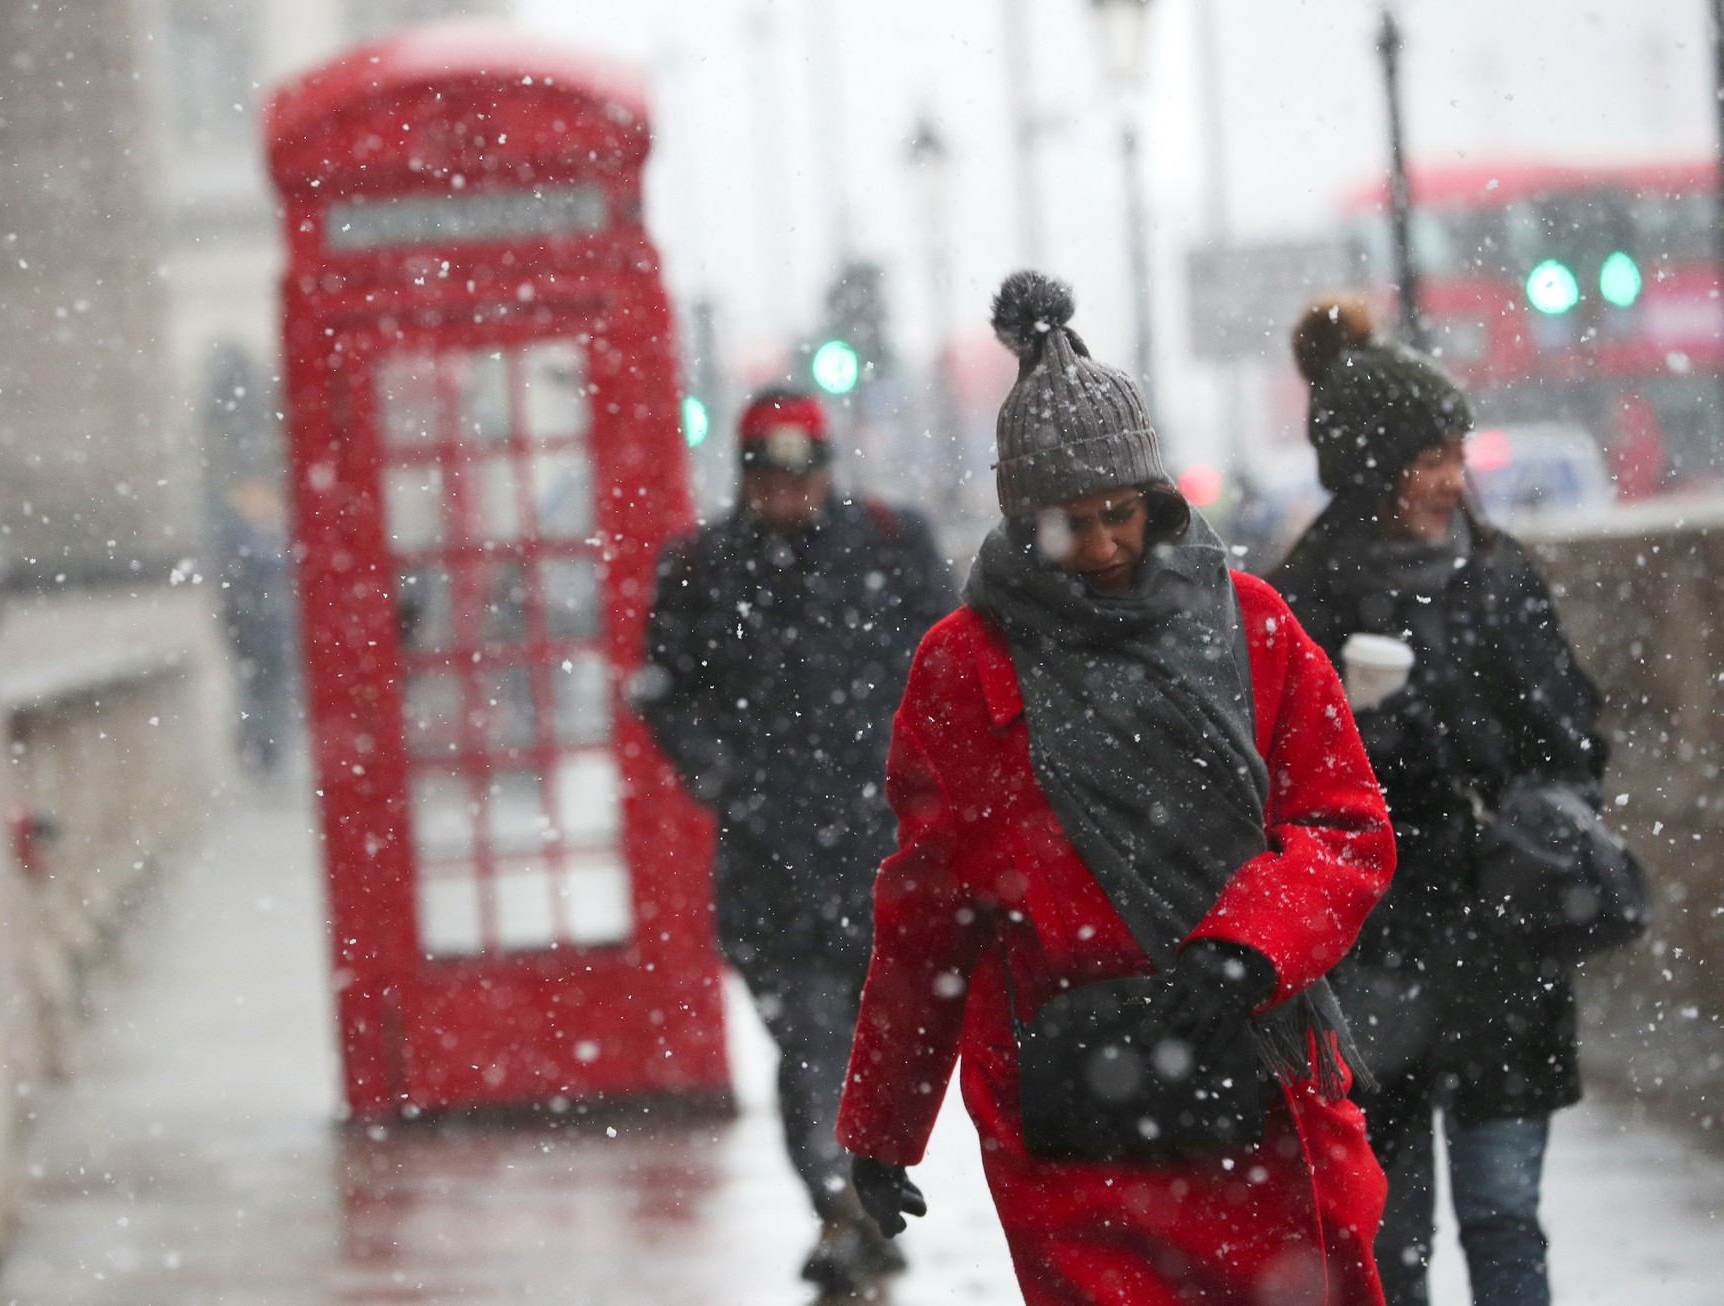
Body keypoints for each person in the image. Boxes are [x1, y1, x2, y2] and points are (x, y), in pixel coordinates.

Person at [836, 272, 1397, 1305]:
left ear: (1155, 500)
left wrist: (1244, 948)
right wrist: (881, 1128)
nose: (1098, 547)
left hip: (1254, 1062)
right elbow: (925, 913)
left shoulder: (1252, 621)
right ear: (1019, 520)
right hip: (1071, 1104)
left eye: (1117, 516)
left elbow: (1343, 824)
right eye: (1065, 525)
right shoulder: (960, 667)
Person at [1271, 297, 1605, 1306]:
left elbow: (1577, 741)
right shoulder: (1300, 600)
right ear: (1372, 470)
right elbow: (1278, 790)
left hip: (1501, 947)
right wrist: (1370, 735)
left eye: (1453, 454)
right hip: (1373, 961)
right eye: (1428, 459)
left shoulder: (1499, 578)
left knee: (1503, 1216)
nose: (1449, 480)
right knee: (1388, 1238)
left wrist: (1538, 808)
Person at [631, 386, 956, 1296]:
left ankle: (865, 1195)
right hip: (770, 858)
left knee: (880, 1045)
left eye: (802, 475)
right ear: (744, 479)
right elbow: (662, 687)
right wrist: (716, 773)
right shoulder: (701, 567)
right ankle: (839, 1201)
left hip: (882, 848)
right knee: (809, 1041)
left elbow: (955, 661)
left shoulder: (893, 544)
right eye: (770, 478)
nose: (787, 492)